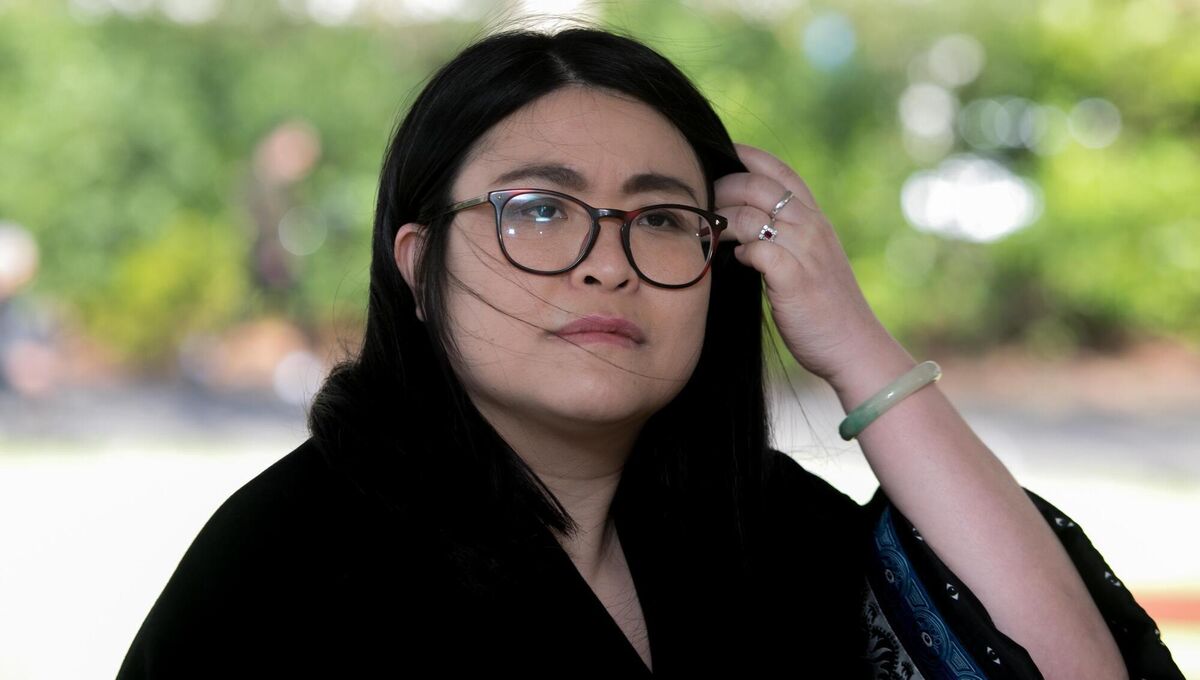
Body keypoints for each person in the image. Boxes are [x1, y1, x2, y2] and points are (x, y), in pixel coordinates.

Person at [116, 24, 1183, 679]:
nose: (604, 262)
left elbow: (1064, 670)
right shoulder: (289, 571)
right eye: (539, 209)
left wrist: (855, 344)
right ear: (417, 259)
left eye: (663, 218)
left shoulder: (753, 531)